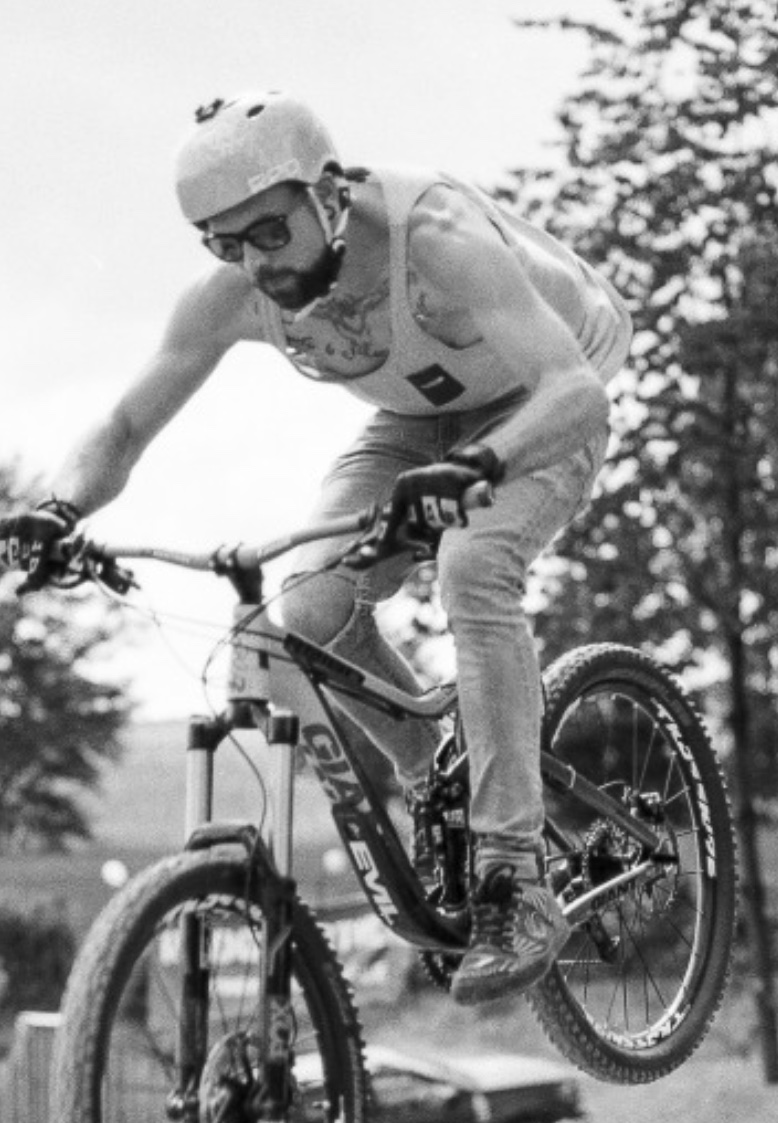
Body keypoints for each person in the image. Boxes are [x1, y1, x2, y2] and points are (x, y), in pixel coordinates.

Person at [0, 90, 633, 1005]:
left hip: (547, 396)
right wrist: (60, 509)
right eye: (225, 245)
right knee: (309, 611)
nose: (254, 264)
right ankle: (431, 776)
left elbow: (576, 393)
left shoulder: (437, 237)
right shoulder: (233, 297)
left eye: (267, 233)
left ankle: (514, 877)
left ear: (329, 193)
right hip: (417, 416)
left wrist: (480, 465)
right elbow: (127, 423)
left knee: (470, 566)